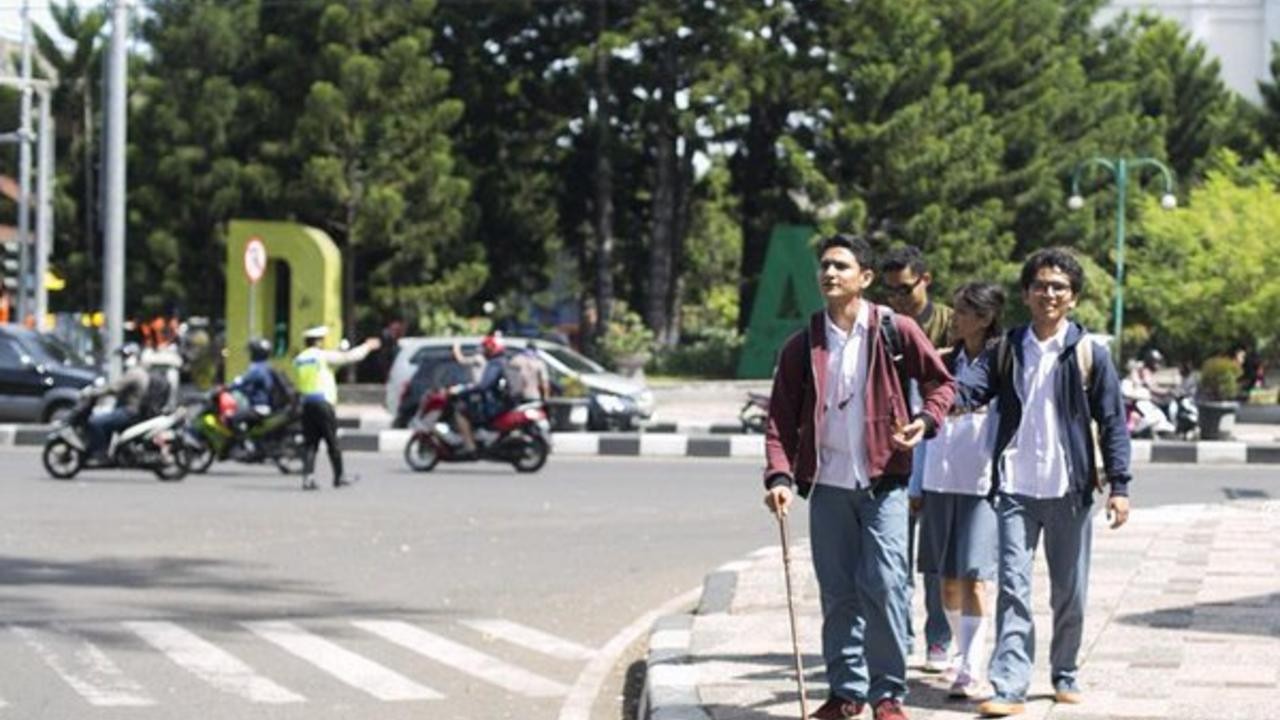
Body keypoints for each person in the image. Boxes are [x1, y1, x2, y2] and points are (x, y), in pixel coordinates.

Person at [763, 233, 955, 720]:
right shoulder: (803, 344)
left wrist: (925, 420)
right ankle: (846, 692)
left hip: (884, 481)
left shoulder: (895, 330)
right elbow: (780, 419)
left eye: (841, 266)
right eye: (825, 265)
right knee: (838, 592)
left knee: (886, 584)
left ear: (865, 278)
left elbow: (941, 383)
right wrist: (780, 477)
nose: (830, 273)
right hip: (827, 485)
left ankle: (887, 694)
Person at [952, 248, 1131, 717]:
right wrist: (935, 400)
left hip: (1069, 490)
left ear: (1073, 298)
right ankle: (1009, 685)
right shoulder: (1007, 348)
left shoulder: (1090, 353)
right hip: (1014, 486)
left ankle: (1064, 671)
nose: (1049, 293)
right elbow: (971, 389)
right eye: (1040, 285)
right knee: (1013, 587)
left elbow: (1113, 422)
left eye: (1059, 287)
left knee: (1069, 591)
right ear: (1026, 293)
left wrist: (1120, 486)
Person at [915, 282, 1006, 699]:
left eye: (964, 311)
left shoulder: (1002, 360)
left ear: (985, 318)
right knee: (946, 579)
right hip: (938, 478)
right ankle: (959, 648)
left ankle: (972, 666)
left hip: (981, 482)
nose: (954, 318)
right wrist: (916, 481)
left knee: (974, 576)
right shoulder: (943, 360)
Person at [880, 244, 955, 672]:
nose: (897, 298)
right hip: (893, 451)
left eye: (905, 289)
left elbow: (959, 377)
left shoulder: (951, 322)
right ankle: (901, 636)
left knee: (937, 559)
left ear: (925, 280)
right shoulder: (881, 324)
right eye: (890, 291)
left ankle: (939, 640)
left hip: (941, 448)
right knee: (894, 559)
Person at [293, 325, 381, 490]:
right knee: (332, 441)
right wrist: (367, 346)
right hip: (323, 404)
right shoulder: (322, 356)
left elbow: (325, 370)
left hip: (307, 404)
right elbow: (348, 357)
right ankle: (339, 476)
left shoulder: (299, 359)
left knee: (310, 444)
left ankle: (308, 478)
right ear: (318, 342)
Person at [85, 344, 151, 460]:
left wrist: (94, 392)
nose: (124, 360)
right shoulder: (139, 372)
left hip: (128, 411)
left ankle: (101, 454)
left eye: (127, 356)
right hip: (130, 410)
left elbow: (114, 388)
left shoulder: (134, 373)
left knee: (95, 422)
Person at [451, 333, 510, 456]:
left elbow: (483, 386)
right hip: (497, 401)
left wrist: (462, 391)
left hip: (492, 404)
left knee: (460, 412)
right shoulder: (503, 360)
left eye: (486, 348)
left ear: (492, 348)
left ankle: (470, 447)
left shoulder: (494, 363)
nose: (484, 351)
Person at [228, 337, 277, 441]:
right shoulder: (265, 367)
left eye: (252, 352)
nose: (250, 355)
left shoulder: (258, 370)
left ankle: (244, 444)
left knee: (232, 419)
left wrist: (229, 386)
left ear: (257, 354)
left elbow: (242, 382)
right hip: (261, 406)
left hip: (259, 407)